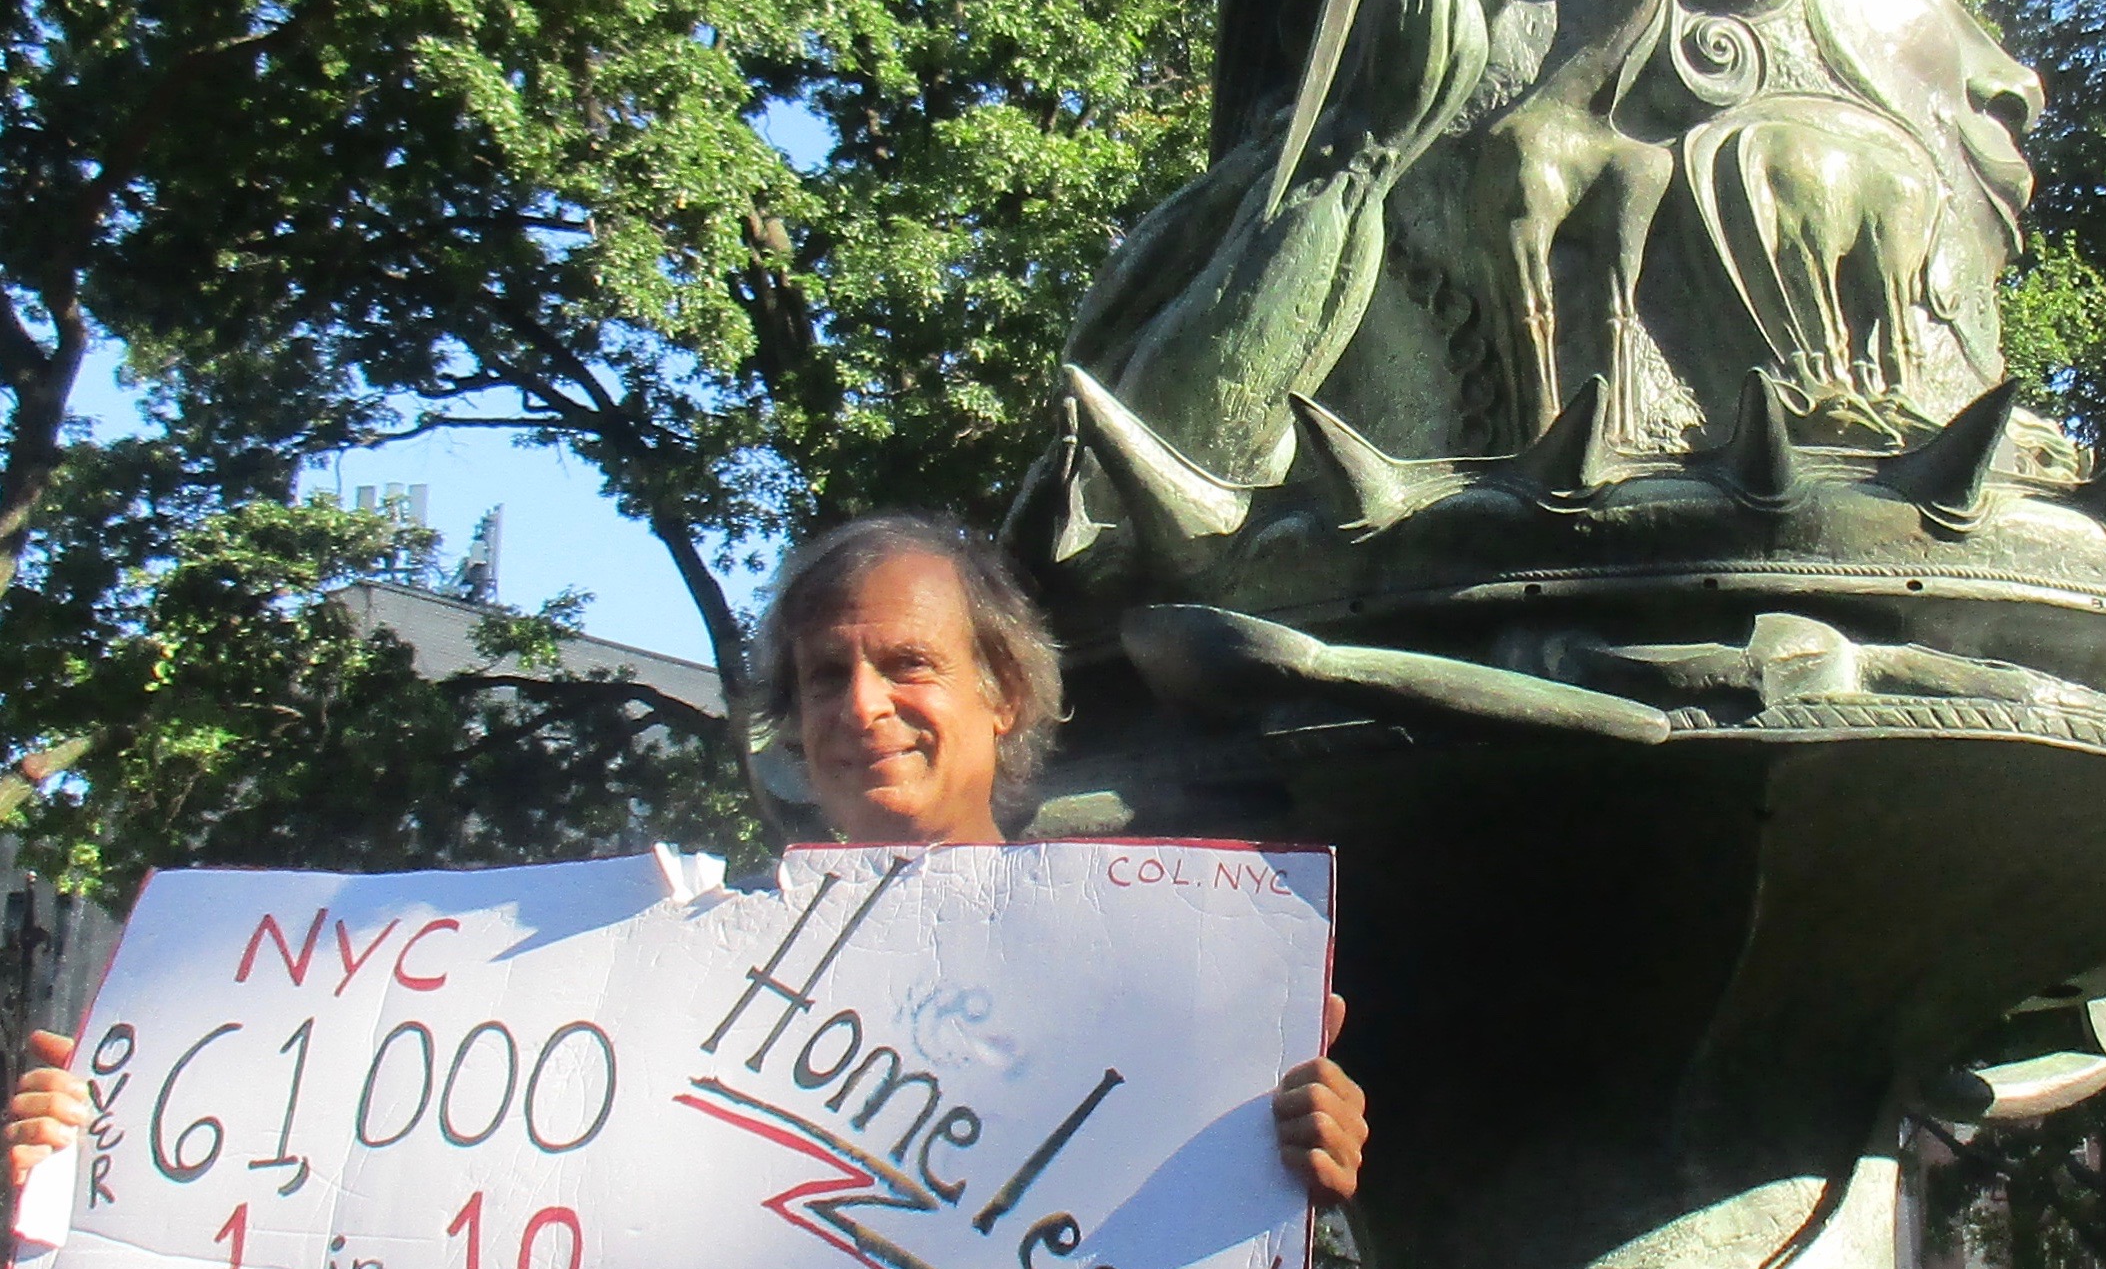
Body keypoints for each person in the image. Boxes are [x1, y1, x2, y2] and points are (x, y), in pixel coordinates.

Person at [4, 513, 1365, 1207]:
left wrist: (1290, 1150)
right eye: (825, 676)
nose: (863, 706)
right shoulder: (658, 979)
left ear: (1004, 694)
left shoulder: (1159, 965)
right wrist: (104, 1162)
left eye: (908, 666)